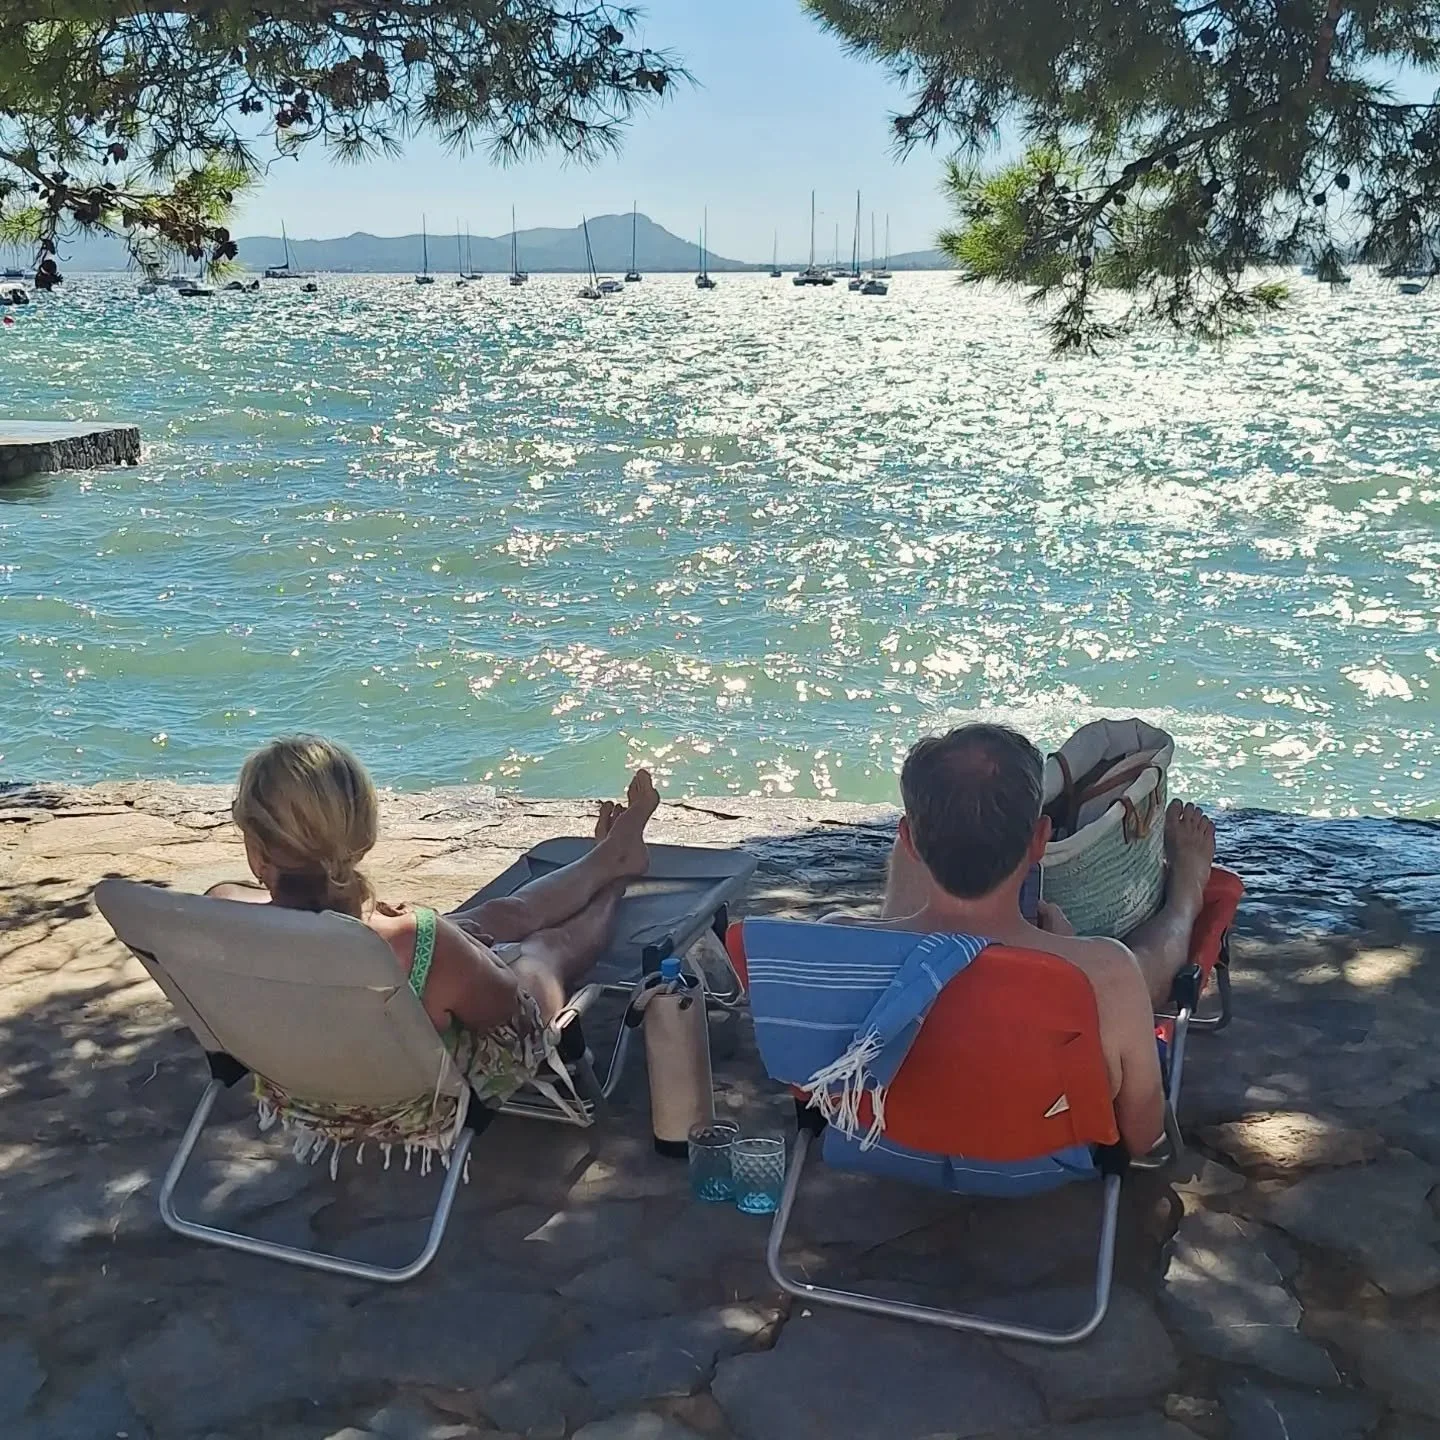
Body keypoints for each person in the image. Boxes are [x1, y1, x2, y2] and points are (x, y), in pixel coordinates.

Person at [206, 734, 659, 1102]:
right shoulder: (411, 943)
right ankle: (615, 884)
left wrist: (440, 935)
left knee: (494, 916)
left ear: (257, 852)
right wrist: (458, 948)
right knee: (543, 949)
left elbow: (308, 913)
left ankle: (608, 858)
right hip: (427, 1080)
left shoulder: (219, 915)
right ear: (362, 835)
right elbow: (505, 1010)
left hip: (307, 1068)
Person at [835, 724, 1215, 1160]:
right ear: (1040, 840)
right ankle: (1186, 895)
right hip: (1048, 1158)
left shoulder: (837, 944)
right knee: (1133, 971)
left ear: (909, 843)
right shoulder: (1103, 970)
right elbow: (1144, 1138)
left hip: (886, 1138)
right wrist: (1067, 954)